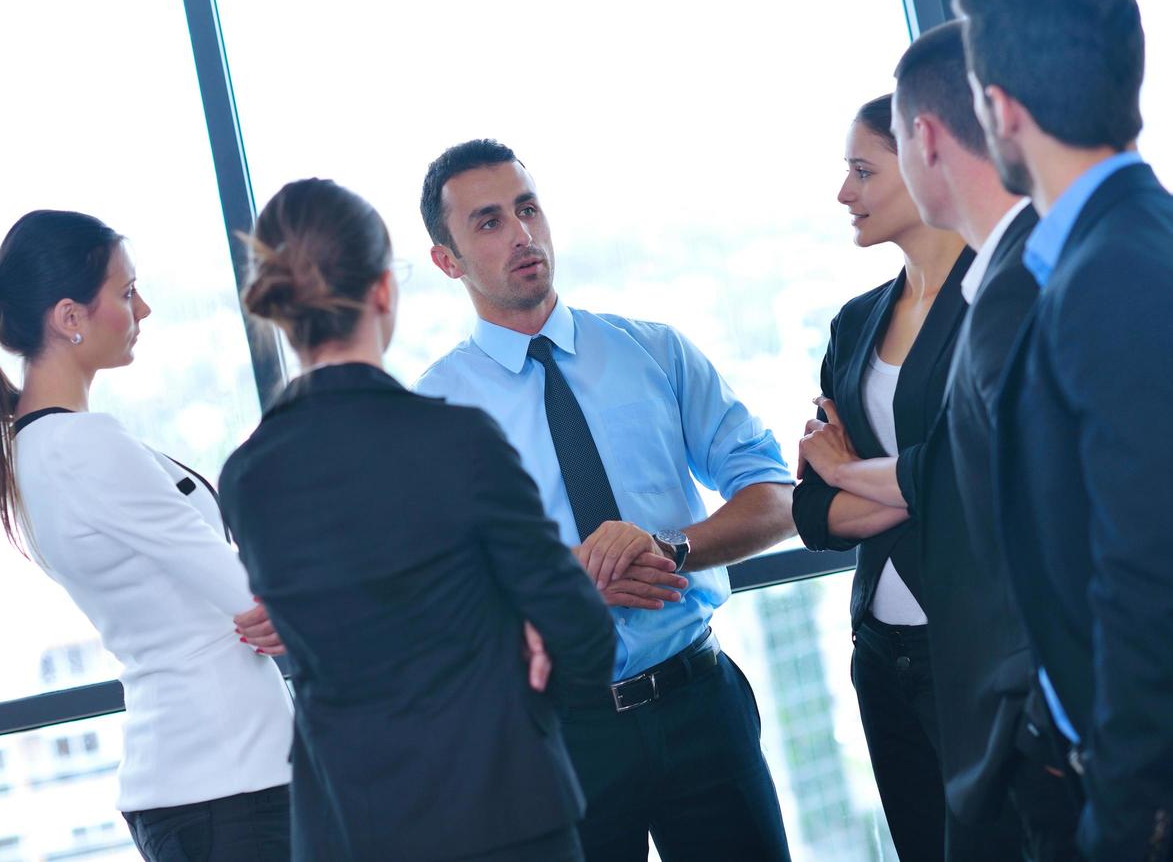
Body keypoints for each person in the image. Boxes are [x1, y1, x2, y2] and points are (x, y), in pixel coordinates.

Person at [413, 140, 796, 862]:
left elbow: (775, 495)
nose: (522, 234)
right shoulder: (427, 413)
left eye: (528, 208)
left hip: (699, 705)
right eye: (489, 222)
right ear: (447, 260)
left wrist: (671, 547)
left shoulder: (654, 351)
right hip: (554, 740)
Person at [219, 178, 615, 862]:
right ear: (382, 290)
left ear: (284, 314)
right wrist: (520, 693)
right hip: (506, 817)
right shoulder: (459, 440)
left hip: (351, 829)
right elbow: (581, 636)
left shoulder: (246, 478)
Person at [0, 210, 293, 861]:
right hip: (227, 786)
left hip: (210, 781)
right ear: (70, 317)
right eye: (126, 291)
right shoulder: (83, 446)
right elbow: (251, 594)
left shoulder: (31, 449)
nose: (145, 307)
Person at [957, 0, 1173, 861]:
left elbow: (1147, 577)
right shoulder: (1121, 246)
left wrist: (1124, 816)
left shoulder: (1111, 274)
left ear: (1000, 109)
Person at [889, 19, 1079, 861]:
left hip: (1071, 739)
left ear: (924, 137)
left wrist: (1049, 732)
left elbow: (1068, 538)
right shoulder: (1028, 261)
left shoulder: (1015, 290)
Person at [793, 97, 974, 862]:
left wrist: (848, 471)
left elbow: (975, 482)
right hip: (881, 650)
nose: (844, 193)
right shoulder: (853, 323)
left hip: (974, 643)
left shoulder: (989, 302)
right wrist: (882, 481)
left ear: (921, 162)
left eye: (861, 171)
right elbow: (809, 506)